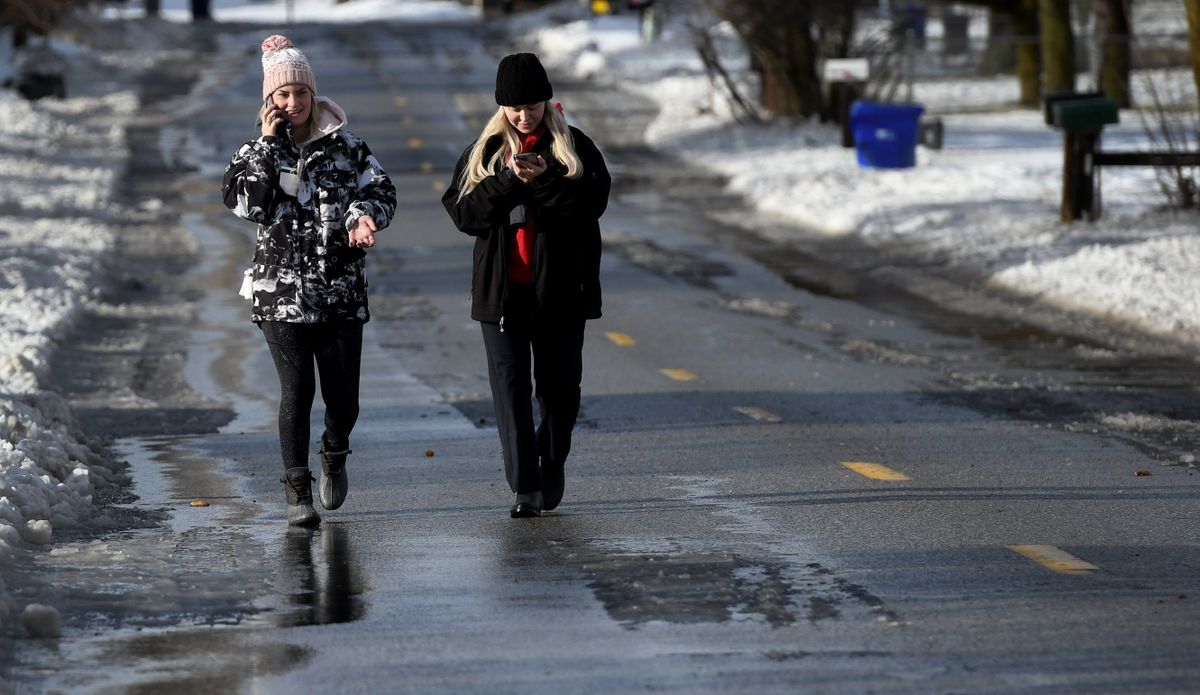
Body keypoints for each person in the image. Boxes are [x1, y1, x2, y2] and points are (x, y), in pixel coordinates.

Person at [222, 35, 396, 526]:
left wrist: (363, 216)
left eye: (301, 93)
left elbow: (382, 191)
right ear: (269, 101)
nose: (293, 103)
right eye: (283, 95)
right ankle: (297, 491)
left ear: (313, 95)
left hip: (339, 291)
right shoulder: (253, 152)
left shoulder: (348, 148)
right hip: (279, 295)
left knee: (343, 401)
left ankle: (334, 451)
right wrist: (267, 147)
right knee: (296, 390)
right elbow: (249, 205)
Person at [442, 53, 611, 518]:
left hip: (560, 295)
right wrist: (507, 182)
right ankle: (525, 487)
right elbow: (463, 213)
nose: (523, 115)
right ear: (501, 107)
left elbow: (592, 203)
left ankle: (551, 461)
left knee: (560, 391)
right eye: (514, 107)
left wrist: (542, 182)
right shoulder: (486, 150)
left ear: (546, 100)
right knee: (510, 390)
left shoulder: (573, 146)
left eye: (532, 104)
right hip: (502, 298)